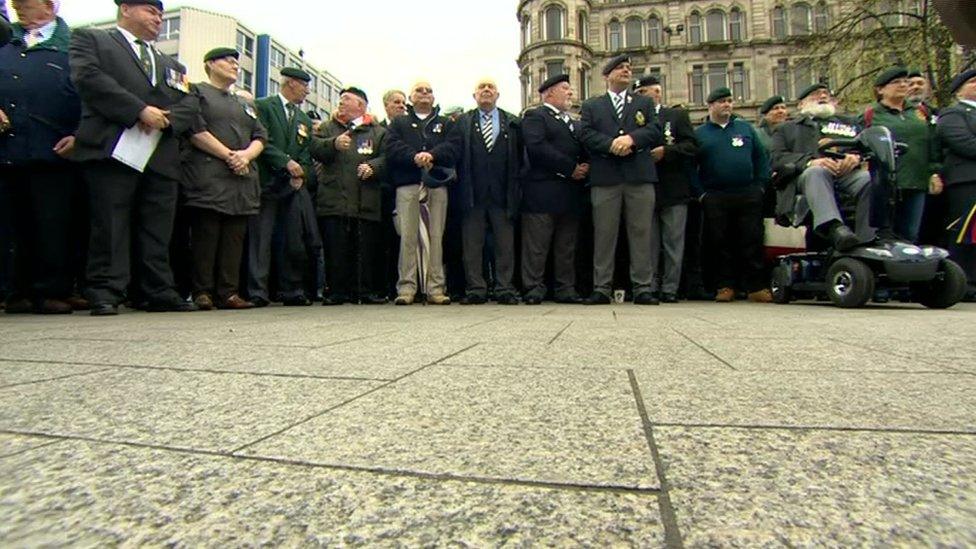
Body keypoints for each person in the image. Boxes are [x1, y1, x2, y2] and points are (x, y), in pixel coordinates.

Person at [69, 0, 198, 315]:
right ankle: (106, 289)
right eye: (151, 11)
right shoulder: (92, 40)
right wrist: (138, 110)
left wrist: (167, 120)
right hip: (113, 145)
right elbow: (89, 79)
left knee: (157, 226)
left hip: (160, 152)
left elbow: (191, 103)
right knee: (110, 221)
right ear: (125, 9)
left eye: (160, 13)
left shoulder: (172, 65)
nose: (157, 18)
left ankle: (155, 289)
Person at [0, 0, 82, 314]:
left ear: (49, 6)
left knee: (53, 222)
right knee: (12, 222)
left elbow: (90, 96)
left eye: (26, 3)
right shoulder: (6, 44)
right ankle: (16, 290)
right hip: (9, 150)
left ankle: (52, 290)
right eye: (14, 4)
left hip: (54, 149)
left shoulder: (72, 46)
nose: (18, 8)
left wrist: (80, 135)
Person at [182, 47, 265, 310]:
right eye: (228, 61)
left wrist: (246, 157)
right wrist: (230, 155)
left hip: (241, 180)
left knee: (234, 238)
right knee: (206, 235)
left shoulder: (244, 103)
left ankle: (229, 292)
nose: (234, 66)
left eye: (236, 63)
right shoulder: (196, 91)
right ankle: (202, 291)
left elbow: (260, 136)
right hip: (210, 175)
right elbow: (195, 130)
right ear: (210, 64)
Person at [579, 55, 662, 305]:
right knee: (604, 234)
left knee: (641, 232)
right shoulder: (593, 105)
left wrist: (632, 140)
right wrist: (611, 144)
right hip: (606, 178)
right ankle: (601, 287)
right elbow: (585, 133)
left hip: (638, 176)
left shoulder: (643, 103)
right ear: (606, 76)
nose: (626, 71)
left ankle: (643, 287)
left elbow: (655, 129)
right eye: (620, 68)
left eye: (628, 68)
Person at [446, 78, 523, 305]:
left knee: (505, 244)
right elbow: (453, 152)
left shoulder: (512, 122)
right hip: (472, 194)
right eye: (482, 87)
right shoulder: (462, 123)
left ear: (498, 95)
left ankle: (504, 288)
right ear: (474, 96)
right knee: (472, 244)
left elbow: (521, 157)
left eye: (491, 87)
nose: (486, 90)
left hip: (503, 194)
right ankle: (476, 288)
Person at [771, 83, 874, 250]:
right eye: (816, 94)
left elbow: (865, 149)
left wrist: (855, 158)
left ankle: (867, 239)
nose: (823, 96)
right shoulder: (787, 129)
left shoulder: (849, 124)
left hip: (845, 175)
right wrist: (810, 161)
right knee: (816, 172)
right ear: (801, 104)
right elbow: (777, 158)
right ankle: (833, 227)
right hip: (806, 179)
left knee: (868, 179)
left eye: (826, 93)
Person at [310, 86, 388, 305]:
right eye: (340, 99)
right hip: (334, 200)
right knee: (336, 248)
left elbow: (387, 157)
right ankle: (336, 291)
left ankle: (364, 291)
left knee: (365, 248)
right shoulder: (327, 127)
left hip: (366, 201)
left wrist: (374, 166)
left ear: (361, 105)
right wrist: (332, 144)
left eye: (346, 99)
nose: (341, 102)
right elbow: (314, 149)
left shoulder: (377, 131)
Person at [246, 66, 316, 306]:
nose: (307, 91)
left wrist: (301, 173)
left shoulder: (303, 119)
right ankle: (257, 291)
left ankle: (290, 290)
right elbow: (261, 140)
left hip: (291, 187)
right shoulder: (263, 106)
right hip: (266, 183)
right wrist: (286, 162)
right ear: (291, 83)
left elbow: (306, 151)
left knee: (290, 239)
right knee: (261, 239)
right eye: (305, 85)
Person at [695, 87, 772, 303]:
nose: (727, 105)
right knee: (719, 242)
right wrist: (701, 194)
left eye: (729, 101)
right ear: (710, 106)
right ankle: (724, 285)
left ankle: (756, 286)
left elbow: (761, 159)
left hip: (748, 193)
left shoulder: (745, 129)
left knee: (751, 239)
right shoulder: (700, 134)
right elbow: (691, 167)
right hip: (715, 196)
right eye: (722, 101)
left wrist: (760, 186)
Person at [520, 74, 589, 304]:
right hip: (542, 192)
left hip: (569, 194)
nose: (570, 92)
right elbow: (536, 147)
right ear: (549, 93)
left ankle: (565, 288)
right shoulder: (536, 116)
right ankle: (533, 287)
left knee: (566, 245)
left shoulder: (573, 121)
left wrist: (584, 166)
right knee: (537, 245)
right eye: (565, 88)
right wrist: (570, 168)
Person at [384, 81, 454, 305]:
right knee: (407, 237)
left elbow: (454, 147)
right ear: (411, 98)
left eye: (429, 91)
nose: (425, 93)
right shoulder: (399, 123)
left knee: (436, 237)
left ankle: (435, 288)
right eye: (419, 90)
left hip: (436, 185)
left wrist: (432, 154)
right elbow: (392, 147)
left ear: (433, 98)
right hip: (408, 185)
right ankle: (406, 288)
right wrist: (414, 156)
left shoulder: (444, 123)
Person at [633, 75, 697, 304]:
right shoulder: (634, 119)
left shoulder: (675, 115)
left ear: (657, 93)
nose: (640, 98)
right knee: (647, 242)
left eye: (645, 92)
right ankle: (648, 285)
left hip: (673, 187)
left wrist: (667, 152)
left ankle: (671, 287)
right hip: (643, 186)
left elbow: (691, 146)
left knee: (673, 241)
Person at [862, 67, 943, 243]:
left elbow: (933, 143)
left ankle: (909, 268)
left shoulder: (920, 113)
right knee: (886, 233)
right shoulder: (871, 115)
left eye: (905, 81)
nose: (903, 85)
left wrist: (934, 172)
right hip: (886, 184)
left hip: (917, 180)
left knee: (911, 233)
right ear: (880, 89)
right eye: (896, 82)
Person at [936, 68, 976, 299]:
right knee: (965, 232)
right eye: (973, 82)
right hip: (967, 180)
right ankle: (964, 282)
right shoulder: (953, 114)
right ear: (959, 90)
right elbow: (962, 142)